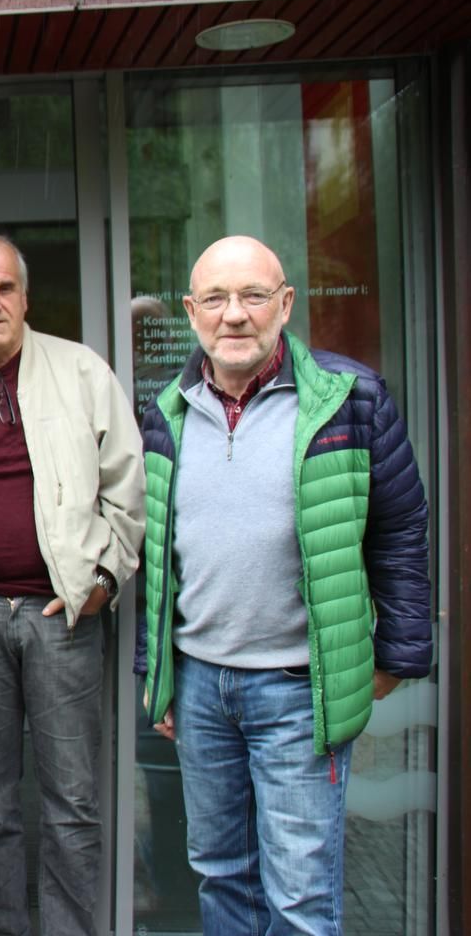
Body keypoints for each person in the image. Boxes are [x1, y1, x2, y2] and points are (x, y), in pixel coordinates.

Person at [138, 235, 432, 934]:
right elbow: (160, 562)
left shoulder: (350, 399)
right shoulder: (167, 411)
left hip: (302, 687)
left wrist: (397, 654)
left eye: (253, 296)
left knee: (300, 895)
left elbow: (400, 530)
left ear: (286, 305)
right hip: (204, 688)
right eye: (215, 298)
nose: (233, 315)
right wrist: (160, 677)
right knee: (219, 873)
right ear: (191, 312)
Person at [0, 234, 145, 936]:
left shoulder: (81, 372)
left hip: (63, 614)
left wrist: (104, 576)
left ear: (25, 296)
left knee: (71, 797)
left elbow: (128, 489)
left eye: (4, 288)